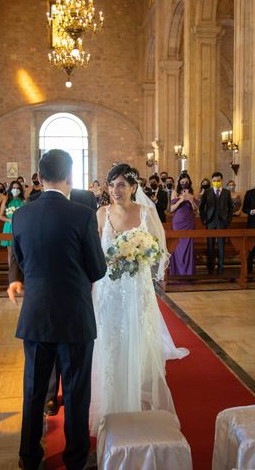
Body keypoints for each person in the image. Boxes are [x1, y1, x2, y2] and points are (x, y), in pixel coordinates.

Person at [7, 149, 107, 470]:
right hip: (75, 316)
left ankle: (29, 456)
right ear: (70, 177)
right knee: (76, 391)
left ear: (38, 178)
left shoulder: (20, 216)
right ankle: (75, 459)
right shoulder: (82, 214)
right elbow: (97, 268)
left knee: (34, 391)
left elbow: (21, 261)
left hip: (36, 315)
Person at [90, 163, 188, 435]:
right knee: (109, 339)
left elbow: (159, 250)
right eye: (111, 185)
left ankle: (136, 392)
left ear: (134, 187)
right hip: (108, 288)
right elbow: (94, 251)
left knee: (136, 338)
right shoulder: (101, 213)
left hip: (137, 288)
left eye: (121, 185)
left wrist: (142, 256)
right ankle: (111, 398)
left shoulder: (146, 213)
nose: (115, 190)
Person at [199, 172, 233, 274]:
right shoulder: (207, 192)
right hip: (210, 222)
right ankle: (210, 269)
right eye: (214, 181)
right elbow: (201, 208)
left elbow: (230, 208)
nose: (216, 182)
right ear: (212, 181)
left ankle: (221, 268)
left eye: (218, 180)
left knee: (221, 246)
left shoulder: (226, 192)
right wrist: (204, 220)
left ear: (222, 181)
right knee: (210, 246)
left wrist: (228, 220)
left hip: (222, 222)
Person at [169, 172, 199, 276]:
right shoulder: (174, 192)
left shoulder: (193, 192)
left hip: (189, 221)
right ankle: (177, 271)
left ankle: (188, 272)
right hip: (178, 222)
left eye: (186, 182)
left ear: (189, 182)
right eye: (182, 182)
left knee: (188, 245)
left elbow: (196, 209)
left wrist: (191, 200)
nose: (184, 183)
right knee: (177, 246)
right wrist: (181, 200)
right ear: (179, 183)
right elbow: (171, 209)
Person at [0, 180, 25, 260]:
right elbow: (1, 216)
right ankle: (11, 271)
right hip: (9, 227)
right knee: (10, 252)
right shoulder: (6, 201)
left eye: (17, 188)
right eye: (13, 188)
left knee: (21, 251)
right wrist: (10, 220)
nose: (15, 190)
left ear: (20, 190)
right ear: (10, 189)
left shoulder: (24, 201)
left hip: (21, 227)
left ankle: (20, 271)